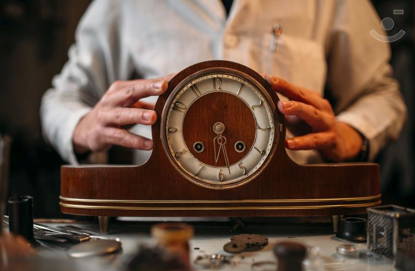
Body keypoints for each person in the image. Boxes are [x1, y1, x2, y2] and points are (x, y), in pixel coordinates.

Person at [40, 0, 406, 166]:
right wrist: (82, 126)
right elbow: (63, 98)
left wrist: (352, 134)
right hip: (163, 233)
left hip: (299, 225)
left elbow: (380, 93)